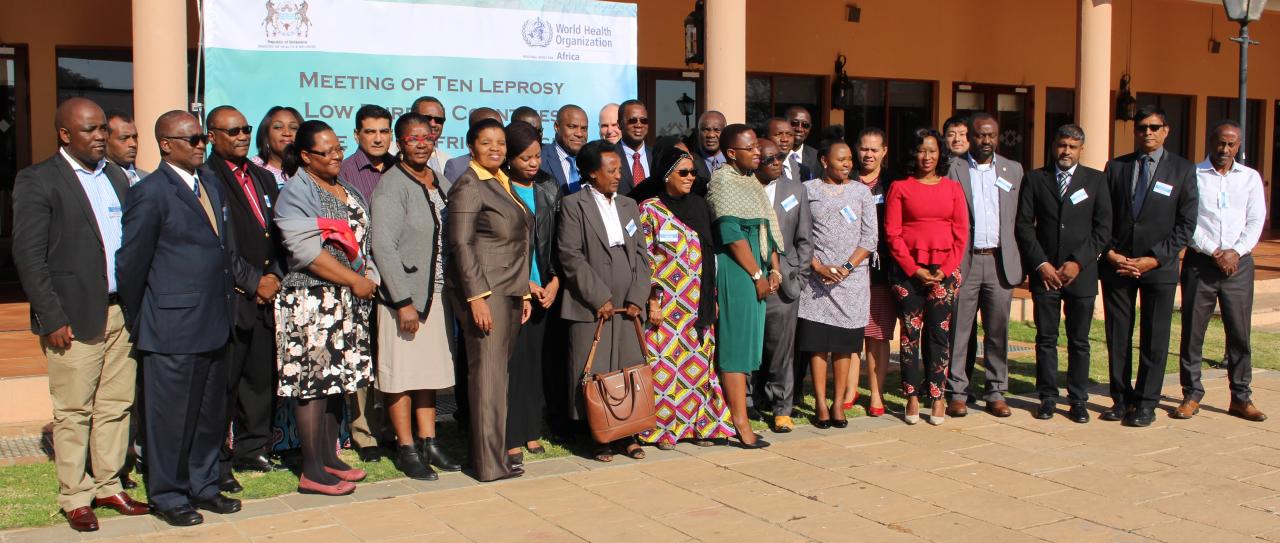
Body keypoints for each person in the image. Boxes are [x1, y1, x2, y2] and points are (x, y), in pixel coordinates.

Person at [12, 98, 148, 532]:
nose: (100, 137)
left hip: (120, 313)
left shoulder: (116, 177)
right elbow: (29, 257)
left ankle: (109, 483)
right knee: (73, 411)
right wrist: (51, 317)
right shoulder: (38, 180)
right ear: (65, 134)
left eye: (103, 129)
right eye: (89, 130)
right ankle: (75, 494)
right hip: (72, 318)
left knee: (115, 404)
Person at [116, 110, 239, 525]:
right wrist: (146, 314)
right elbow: (131, 263)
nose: (200, 144)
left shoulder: (211, 184)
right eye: (190, 139)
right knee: (170, 419)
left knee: (208, 415)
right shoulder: (151, 191)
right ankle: (167, 495)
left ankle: (203, 485)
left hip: (213, 320)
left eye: (202, 137)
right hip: (171, 326)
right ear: (166, 144)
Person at [273, 120, 378, 496]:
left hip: (344, 303)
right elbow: (305, 252)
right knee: (312, 385)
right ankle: (312, 469)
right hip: (312, 302)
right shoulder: (296, 191)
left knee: (336, 381)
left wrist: (366, 275)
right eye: (327, 151)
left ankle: (331, 459)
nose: (336, 156)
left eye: (338, 148)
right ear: (305, 156)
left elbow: (363, 237)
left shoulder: (341, 186)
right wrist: (353, 280)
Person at [370, 112, 463, 481]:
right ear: (400, 143)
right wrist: (402, 300)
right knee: (401, 376)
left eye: (427, 137)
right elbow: (383, 246)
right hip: (405, 299)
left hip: (436, 294)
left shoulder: (439, 180)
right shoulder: (392, 184)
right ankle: (406, 446)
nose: (422, 143)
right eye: (413, 138)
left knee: (427, 374)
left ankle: (429, 441)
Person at [200, 106, 288, 495]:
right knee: (225, 383)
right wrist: (253, 282)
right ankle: (217, 458)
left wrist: (276, 277)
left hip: (268, 293)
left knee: (259, 376)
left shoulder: (263, 177)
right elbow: (216, 243)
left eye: (246, 129)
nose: (241, 136)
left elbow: (279, 233)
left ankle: (253, 448)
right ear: (212, 135)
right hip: (232, 295)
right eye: (232, 130)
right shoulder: (205, 179)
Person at [446, 118, 533, 482]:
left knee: (499, 376)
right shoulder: (469, 184)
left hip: (510, 290)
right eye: (487, 143)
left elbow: (513, 242)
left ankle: (495, 453)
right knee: (487, 377)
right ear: (471, 147)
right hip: (488, 292)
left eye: (500, 142)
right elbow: (461, 245)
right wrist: (476, 297)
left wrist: (524, 290)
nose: (495, 148)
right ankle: (488, 463)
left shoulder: (501, 182)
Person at [1101, 104, 1198, 428]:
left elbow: (1186, 224)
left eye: (1154, 127)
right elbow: (1104, 217)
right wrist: (1111, 253)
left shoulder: (1182, 170)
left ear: (1165, 130)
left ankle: (1146, 403)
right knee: (1118, 335)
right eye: (1142, 127)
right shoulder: (1116, 167)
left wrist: (1155, 258)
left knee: (1155, 337)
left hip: (1159, 267)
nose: (1148, 133)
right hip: (1119, 264)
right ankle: (1121, 398)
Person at [636, 147, 734, 449]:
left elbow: (708, 257)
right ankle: (662, 430)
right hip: (665, 305)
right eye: (684, 173)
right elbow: (645, 257)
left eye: (694, 172)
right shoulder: (650, 209)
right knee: (664, 367)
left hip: (697, 305)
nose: (691, 177)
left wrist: (711, 297)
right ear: (667, 176)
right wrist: (652, 300)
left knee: (699, 367)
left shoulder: (700, 207)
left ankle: (699, 426)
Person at [558, 139, 650, 462]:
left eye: (619, 169)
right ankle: (600, 437)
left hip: (628, 307)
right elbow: (570, 256)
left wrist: (639, 295)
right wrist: (599, 296)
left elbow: (641, 254)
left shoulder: (628, 205)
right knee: (596, 372)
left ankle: (630, 433)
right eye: (611, 170)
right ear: (592, 173)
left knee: (628, 368)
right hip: (591, 304)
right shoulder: (573, 205)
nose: (617, 175)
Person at [1014, 124, 1111, 424]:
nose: (1066, 151)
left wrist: (1078, 262)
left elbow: (1103, 227)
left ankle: (1078, 400)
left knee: (1079, 341)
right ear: (1054, 145)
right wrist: (1041, 264)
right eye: (1062, 145)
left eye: (1072, 146)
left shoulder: (1095, 180)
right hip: (1046, 274)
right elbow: (1023, 225)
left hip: (1079, 275)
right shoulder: (1035, 179)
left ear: (1081, 149)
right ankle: (1047, 397)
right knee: (1046, 339)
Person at [1175, 120, 1266, 422]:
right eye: (1221, 143)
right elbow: (1187, 220)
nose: (1225, 149)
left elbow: (1255, 221)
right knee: (1193, 331)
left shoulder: (1250, 178)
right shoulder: (1193, 175)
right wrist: (1215, 251)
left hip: (1238, 266)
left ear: (1239, 145)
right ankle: (1191, 394)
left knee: (1239, 333)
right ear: (1210, 141)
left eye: (1232, 144)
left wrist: (1235, 252)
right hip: (1202, 262)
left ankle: (1241, 397)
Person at [885, 128, 969, 426]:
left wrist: (944, 270)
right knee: (910, 336)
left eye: (933, 150)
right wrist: (914, 269)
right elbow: (893, 234)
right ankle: (910, 395)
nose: (927, 156)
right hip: (909, 273)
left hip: (944, 273)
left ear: (940, 154)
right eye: (921, 150)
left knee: (939, 336)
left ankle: (937, 395)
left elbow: (961, 233)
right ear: (913, 154)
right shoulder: (900, 187)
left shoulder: (952, 188)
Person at [707, 124, 782, 448]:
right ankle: (740, 423)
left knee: (748, 346)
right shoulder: (723, 181)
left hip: (758, 269)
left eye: (757, 148)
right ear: (730, 153)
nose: (758, 153)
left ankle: (738, 415)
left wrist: (774, 270)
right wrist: (757, 275)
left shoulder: (750, 181)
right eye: (750, 148)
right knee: (735, 350)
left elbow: (767, 228)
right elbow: (733, 237)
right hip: (738, 272)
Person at [945, 113, 1024, 419]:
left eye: (991, 135)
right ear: (971, 137)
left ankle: (995, 391)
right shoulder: (954, 168)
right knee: (960, 331)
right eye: (980, 136)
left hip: (999, 262)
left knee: (998, 330)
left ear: (998, 137)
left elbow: (1019, 219)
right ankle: (957, 392)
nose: (986, 141)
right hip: (965, 261)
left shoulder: (1013, 170)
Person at [797, 139, 877, 429]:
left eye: (849, 160)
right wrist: (817, 266)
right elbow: (799, 233)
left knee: (844, 345)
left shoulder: (861, 192)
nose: (847, 164)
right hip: (816, 282)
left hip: (851, 281)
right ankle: (820, 401)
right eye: (840, 159)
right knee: (818, 345)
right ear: (824, 160)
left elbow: (870, 237)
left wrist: (845, 267)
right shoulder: (807, 191)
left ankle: (838, 402)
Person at [336, 103, 394, 463]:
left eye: (383, 131)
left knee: (392, 354)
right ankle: (365, 433)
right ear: (357, 135)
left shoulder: (400, 169)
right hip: (358, 279)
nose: (377, 138)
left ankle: (393, 427)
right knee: (361, 356)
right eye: (370, 131)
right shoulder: (343, 173)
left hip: (397, 281)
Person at [502, 121, 559, 465]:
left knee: (538, 365)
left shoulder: (549, 189)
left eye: (537, 156)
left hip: (545, 291)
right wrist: (524, 283)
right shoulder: (499, 189)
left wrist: (554, 282)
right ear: (510, 158)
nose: (533, 163)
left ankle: (531, 430)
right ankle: (510, 434)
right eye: (525, 158)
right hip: (513, 291)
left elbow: (559, 243)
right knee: (513, 366)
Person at [750, 137, 812, 433]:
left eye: (779, 158)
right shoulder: (744, 190)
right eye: (769, 159)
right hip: (748, 280)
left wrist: (796, 274)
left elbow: (804, 240)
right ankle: (751, 400)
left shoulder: (796, 190)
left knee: (780, 348)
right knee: (751, 343)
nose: (777, 164)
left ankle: (781, 408)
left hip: (784, 284)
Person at [851, 127, 895, 417]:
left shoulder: (893, 184)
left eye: (874, 149)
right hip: (849, 268)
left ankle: (876, 393)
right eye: (864, 148)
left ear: (884, 152)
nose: (868, 154)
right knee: (852, 332)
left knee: (877, 334)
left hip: (882, 269)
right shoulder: (846, 179)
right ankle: (848, 389)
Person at [444, 107, 505, 182]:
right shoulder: (458, 167)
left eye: (498, 125)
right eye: (486, 143)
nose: (495, 148)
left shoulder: (507, 165)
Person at [251, 106, 301, 190]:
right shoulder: (252, 169)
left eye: (293, 128)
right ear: (266, 135)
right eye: (278, 127)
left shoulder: (309, 169)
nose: (287, 133)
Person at [542, 104, 589, 194]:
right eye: (572, 127)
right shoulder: (541, 159)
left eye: (584, 128)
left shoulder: (593, 161)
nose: (579, 134)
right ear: (557, 127)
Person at [616, 99, 651, 196]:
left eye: (644, 121)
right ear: (619, 124)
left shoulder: (657, 156)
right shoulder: (609, 156)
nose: (639, 125)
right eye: (632, 120)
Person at [410, 96, 450, 179]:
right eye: (427, 118)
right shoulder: (391, 155)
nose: (433, 124)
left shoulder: (447, 161)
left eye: (439, 120)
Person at [105, 111, 147, 185]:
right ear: (106, 139)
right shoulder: (100, 179)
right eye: (124, 138)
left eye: (134, 137)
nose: (133, 144)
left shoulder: (148, 179)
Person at [689, 110, 726, 193]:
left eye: (717, 130)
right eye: (706, 130)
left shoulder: (735, 162)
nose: (711, 135)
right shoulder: (689, 161)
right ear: (698, 133)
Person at [786, 106, 822, 178]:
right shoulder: (774, 154)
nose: (800, 129)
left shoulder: (816, 157)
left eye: (805, 125)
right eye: (794, 123)